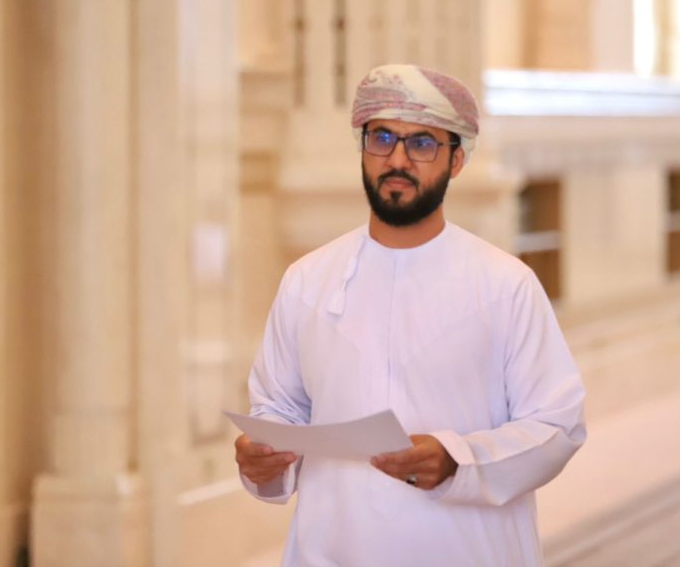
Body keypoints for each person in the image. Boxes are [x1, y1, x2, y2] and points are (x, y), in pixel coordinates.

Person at [234, 64, 586, 566]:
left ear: (456, 160)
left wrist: (457, 461)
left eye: (421, 143)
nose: (397, 159)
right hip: (332, 552)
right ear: (362, 148)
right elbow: (277, 408)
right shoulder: (307, 281)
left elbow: (556, 425)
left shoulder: (505, 285)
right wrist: (262, 459)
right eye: (382, 138)